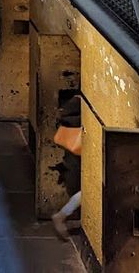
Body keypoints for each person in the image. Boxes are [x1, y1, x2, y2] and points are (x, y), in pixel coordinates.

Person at [51, 94, 82, 240]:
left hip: (73, 143)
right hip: (80, 145)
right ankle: (62, 215)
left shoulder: (73, 103)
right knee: (89, 188)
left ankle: (63, 215)